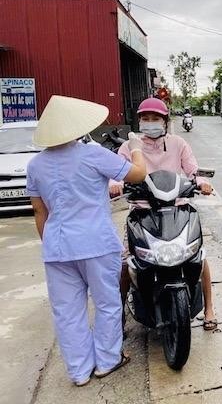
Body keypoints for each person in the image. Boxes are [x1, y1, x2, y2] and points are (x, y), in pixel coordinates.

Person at [26, 95, 147, 386]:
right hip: (96, 242)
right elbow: (138, 174)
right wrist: (136, 148)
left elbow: (39, 211)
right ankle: (107, 361)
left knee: (67, 311)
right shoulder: (92, 154)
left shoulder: (35, 165)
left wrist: (53, 244)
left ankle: (79, 372)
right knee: (106, 304)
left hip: (57, 247)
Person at [109, 98, 218, 331]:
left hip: (177, 208)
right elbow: (117, 171)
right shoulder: (129, 147)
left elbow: (193, 169)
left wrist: (201, 181)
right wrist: (115, 183)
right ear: (139, 121)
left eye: (155, 119)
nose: (150, 123)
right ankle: (118, 314)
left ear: (165, 121)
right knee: (126, 261)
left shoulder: (179, 144)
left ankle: (209, 308)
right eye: (145, 119)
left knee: (198, 255)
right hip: (142, 210)